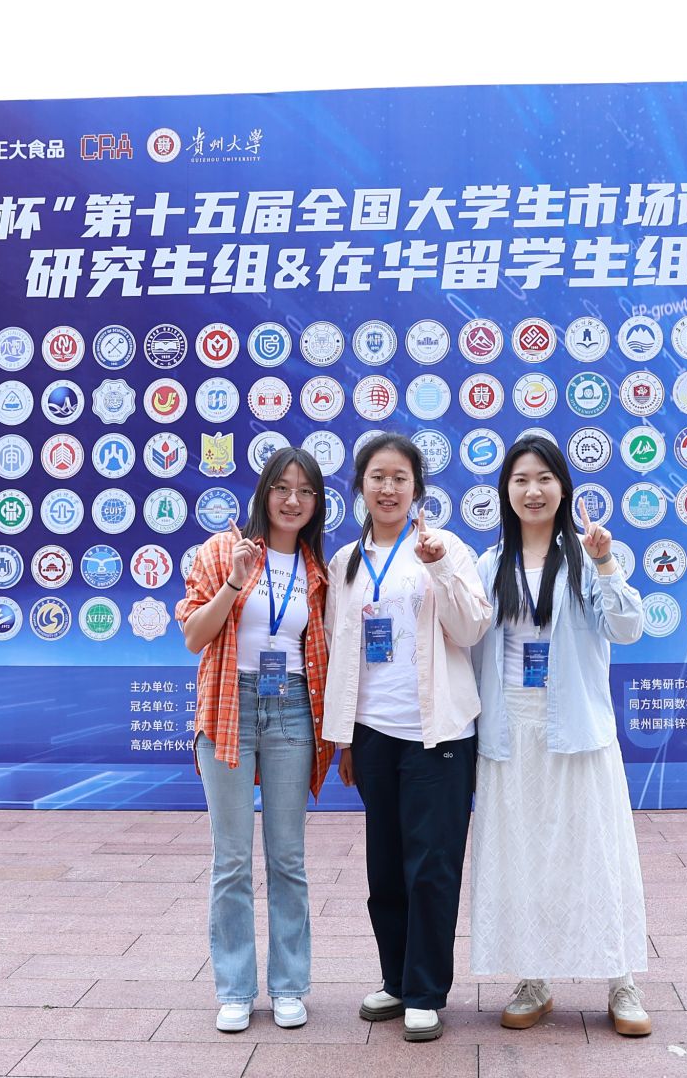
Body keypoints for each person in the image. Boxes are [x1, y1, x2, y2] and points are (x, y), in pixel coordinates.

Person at [468, 435, 652, 1037]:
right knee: (521, 858)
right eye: (520, 480)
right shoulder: (488, 565)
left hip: (576, 727)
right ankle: (533, 978)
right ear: (506, 491)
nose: (533, 491)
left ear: (563, 489)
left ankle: (621, 981)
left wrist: (606, 564)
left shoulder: (587, 557)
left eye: (544, 479)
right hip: (510, 731)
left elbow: (626, 628)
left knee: (596, 854)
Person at [321, 434, 492, 1043]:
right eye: (377, 477)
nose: (388, 488)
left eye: (399, 478)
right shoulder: (345, 561)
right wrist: (344, 739)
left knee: (432, 867)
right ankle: (394, 980)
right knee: (386, 868)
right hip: (373, 735)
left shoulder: (445, 548)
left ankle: (424, 992)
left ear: (417, 488)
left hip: (436, 733)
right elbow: (341, 651)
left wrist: (438, 565)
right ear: (360, 486)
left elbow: (471, 628)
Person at [175, 447, 333, 1033]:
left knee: (288, 858)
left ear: (317, 503)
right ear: (264, 491)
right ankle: (236, 989)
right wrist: (234, 585)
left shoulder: (316, 568)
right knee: (232, 858)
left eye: (306, 491)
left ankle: (289, 986)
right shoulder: (223, 551)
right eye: (283, 488)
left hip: (292, 706)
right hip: (229, 706)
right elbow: (194, 636)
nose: (293, 501)